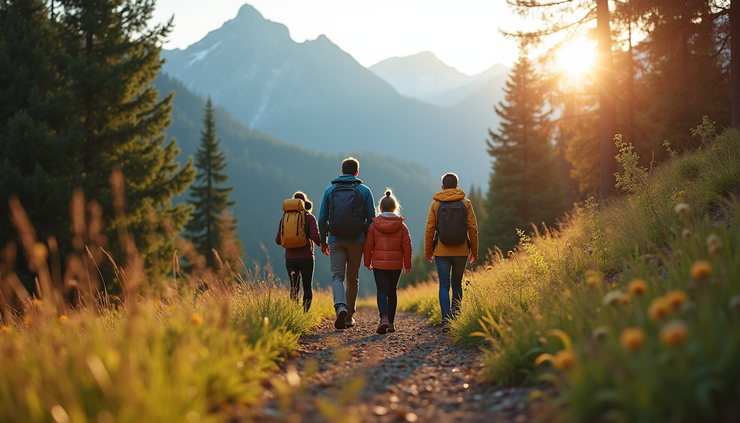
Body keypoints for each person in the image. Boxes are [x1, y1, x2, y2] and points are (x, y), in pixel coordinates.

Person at [318, 157, 376, 329]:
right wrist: (369, 244)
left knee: (337, 276)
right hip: (357, 240)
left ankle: (340, 306)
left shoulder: (330, 190)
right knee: (352, 279)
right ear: (357, 172)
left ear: (342, 171)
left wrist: (323, 241)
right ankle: (349, 317)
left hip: (335, 239)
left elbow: (322, 218)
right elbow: (372, 220)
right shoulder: (364, 191)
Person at [424, 172, 479, 333]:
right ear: (457, 186)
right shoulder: (466, 203)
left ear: (442, 187)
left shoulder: (435, 204)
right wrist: (474, 250)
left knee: (444, 285)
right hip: (461, 251)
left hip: (441, 251)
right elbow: (473, 229)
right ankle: (457, 319)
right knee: (457, 284)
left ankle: (445, 321)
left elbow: (429, 230)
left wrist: (428, 251)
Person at [364, 189, 412, 334]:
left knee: (382, 290)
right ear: (395, 207)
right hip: (396, 264)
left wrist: (367, 262)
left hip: (379, 264)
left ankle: (383, 318)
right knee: (392, 292)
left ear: (380, 208)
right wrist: (407, 265)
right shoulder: (402, 226)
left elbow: (368, 246)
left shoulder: (373, 226)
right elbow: (407, 247)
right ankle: (391, 323)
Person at [275, 191, 321, 312]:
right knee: (307, 286)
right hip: (306, 257)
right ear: (304, 203)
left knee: (294, 287)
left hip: (290, 258)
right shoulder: (309, 217)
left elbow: (278, 240)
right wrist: (323, 245)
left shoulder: (285, 217)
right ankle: (305, 314)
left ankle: (294, 313)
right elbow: (315, 236)